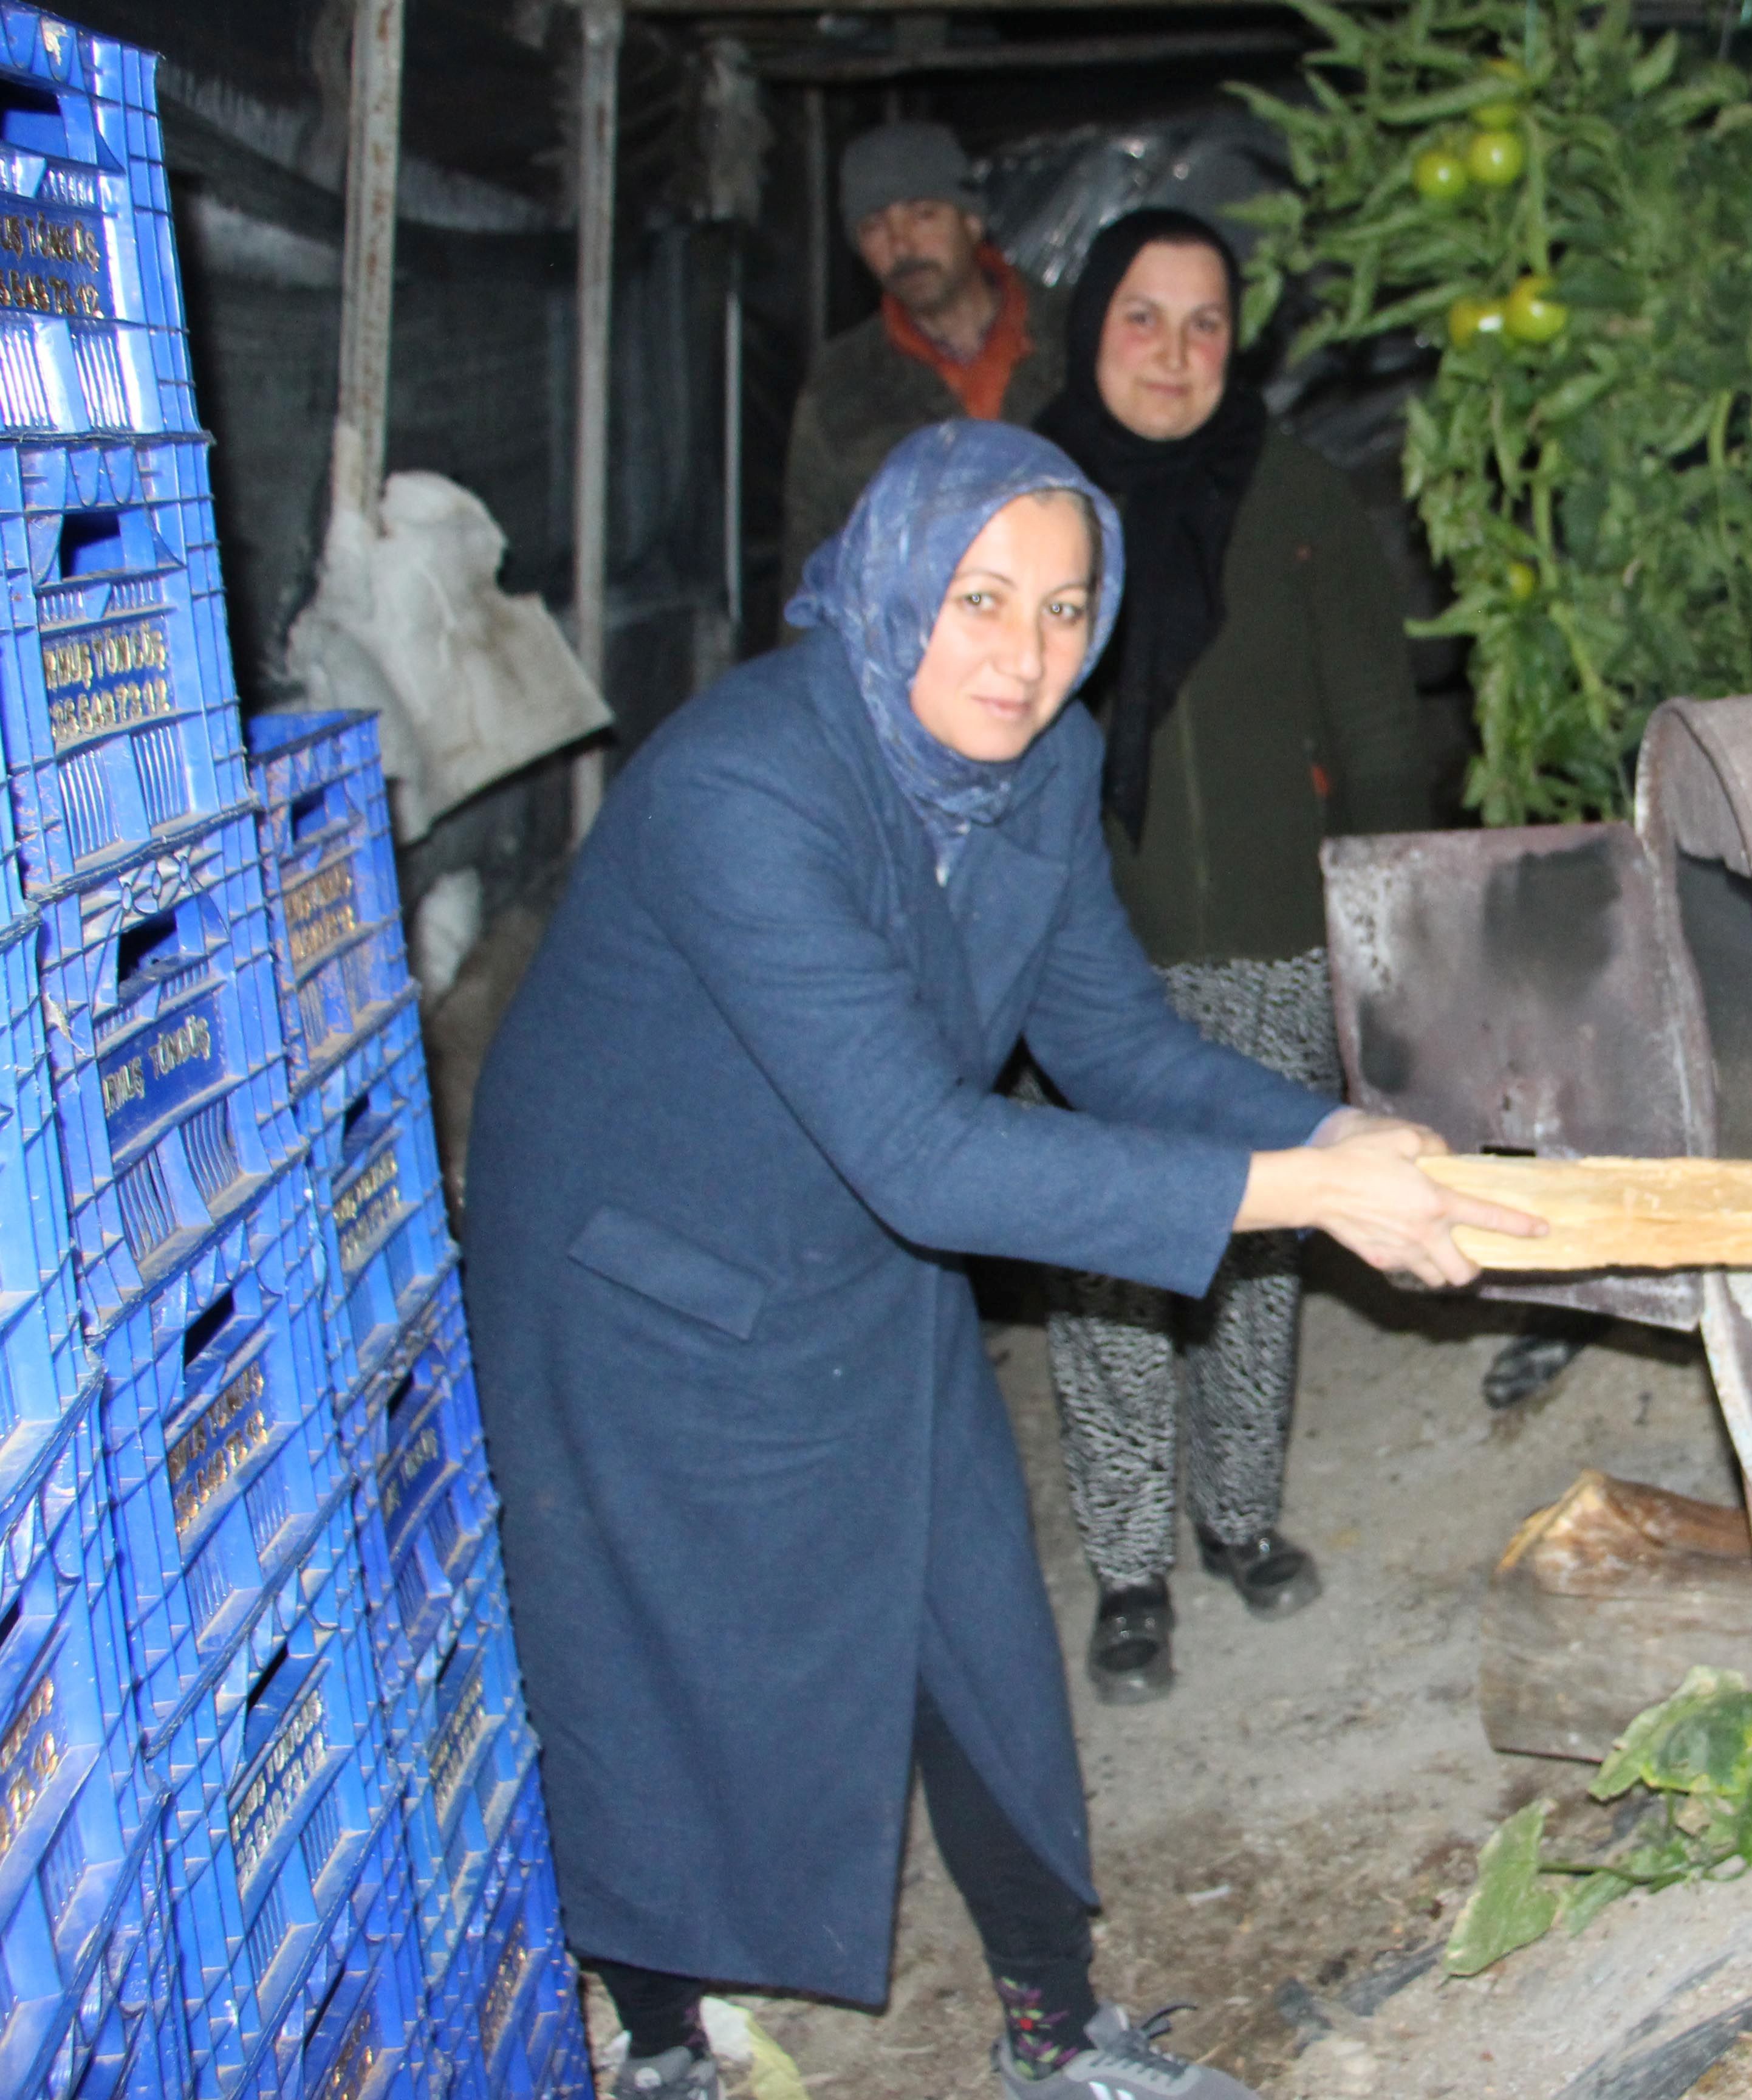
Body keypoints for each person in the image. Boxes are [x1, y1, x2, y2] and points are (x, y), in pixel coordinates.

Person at [462, 421, 1538, 2100]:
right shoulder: (746, 787)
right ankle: (657, 2033)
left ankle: (1058, 2023)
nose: (1023, 656)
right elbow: (922, 1148)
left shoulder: (1037, 767)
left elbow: (1109, 1034)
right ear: (892, 585)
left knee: (966, 1605)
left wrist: (1324, 1137)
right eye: (979, 600)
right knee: (672, 1657)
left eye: (1062, 608)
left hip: (848, 1229)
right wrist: (1290, 1197)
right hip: (641, 1275)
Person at [1025, 208, 1435, 1701]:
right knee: (1108, 1268)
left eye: (1207, 324)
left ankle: (1238, 1519)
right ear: (1089, 326)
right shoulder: (1024, 500)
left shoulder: (1297, 490)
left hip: (1270, 939)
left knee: (1262, 1253)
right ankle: (1130, 1565)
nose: (1176, 354)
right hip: (1086, 954)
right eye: (1144, 316)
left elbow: (1381, 728)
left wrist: (1384, 942)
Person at [782, 121, 1065, 587]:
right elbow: (812, 570)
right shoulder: (842, 385)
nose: (901, 246)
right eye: (874, 227)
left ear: (972, 221)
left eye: (923, 215)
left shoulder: (1081, 338)